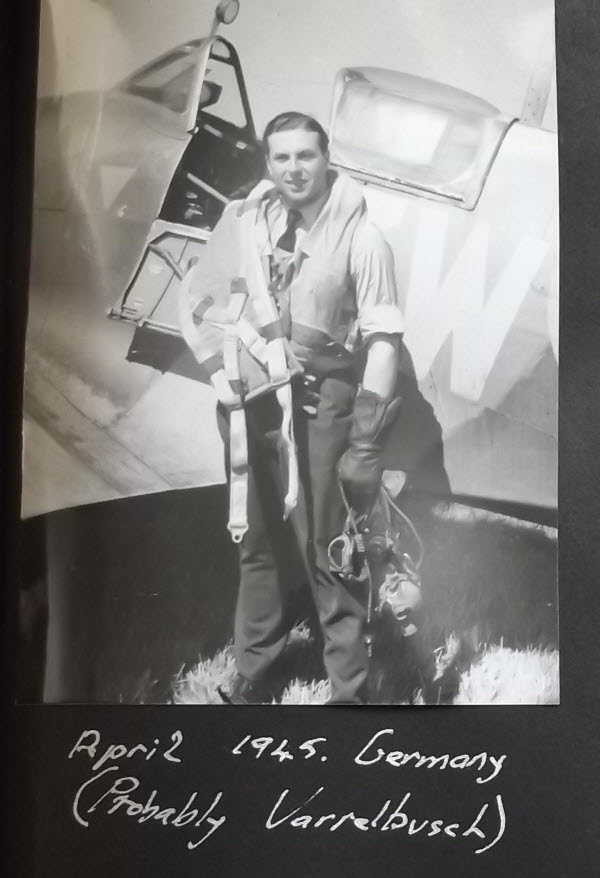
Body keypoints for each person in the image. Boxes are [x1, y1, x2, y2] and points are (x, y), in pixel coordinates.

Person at [184, 111, 405, 704]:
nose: (293, 169)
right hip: (254, 403)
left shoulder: (364, 238)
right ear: (267, 163)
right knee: (258, 540)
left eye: (305, 155)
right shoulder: (248, 225)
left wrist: (364, 444)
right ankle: (254, 672)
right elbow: (210, 299)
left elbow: (384, 344)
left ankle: (349, 692)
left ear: (327, 157)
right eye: (280, 158)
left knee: (331, 548)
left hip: (321, 406)